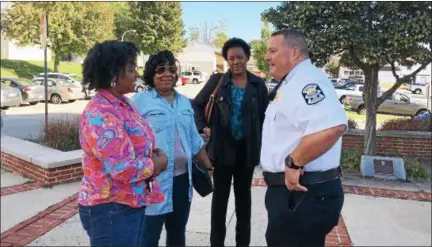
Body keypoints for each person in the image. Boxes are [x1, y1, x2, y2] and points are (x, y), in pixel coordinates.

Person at [261, 29, 348, 247]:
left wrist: (293, 162)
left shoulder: (306, 81)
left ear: (294, 52)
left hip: (302, 194)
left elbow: (332, 127)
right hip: (295, 194)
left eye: (272, 50)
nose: (266, 57)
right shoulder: (293, 81)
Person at [78, 40, 168, 247]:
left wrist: (150, 156)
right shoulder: (102, 113)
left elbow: (135, 144)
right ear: (112, 74)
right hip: (110, 209)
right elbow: (120, 169)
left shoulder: (124, 103)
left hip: (129, 202)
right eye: (130, 68)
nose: (136, 74)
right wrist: (156, 164)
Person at [131, 50, 213, 247]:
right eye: (161, 69)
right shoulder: (139, 102)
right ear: (152, 73)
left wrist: (209, 167)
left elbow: (194, 140)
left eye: (171, 69)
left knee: (177, 234)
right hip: (153, 181)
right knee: (148, 236)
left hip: (183, 181)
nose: (167, 74)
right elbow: (130, 141)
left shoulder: (184, 102)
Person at [192, 38, 269, 247]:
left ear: (247, 58)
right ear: (226, 60)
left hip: (247, 153)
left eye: (240, 57)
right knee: (219, 203)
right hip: (221, 151)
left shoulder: (258, 84)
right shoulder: (218, 81)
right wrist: (202, 127)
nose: (236, 62)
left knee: (244, 203)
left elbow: (266, 117)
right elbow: (196, 105)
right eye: (231, 58)